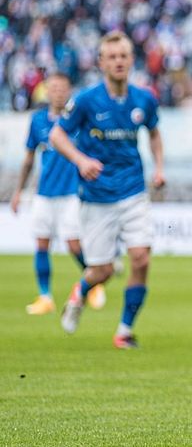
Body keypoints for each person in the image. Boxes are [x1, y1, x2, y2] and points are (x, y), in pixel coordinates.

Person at [49, 30, 165, 350]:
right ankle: (80, 292)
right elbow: (58, 135)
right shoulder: (86, 100)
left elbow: (154, 134)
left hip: (133, 190)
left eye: (124, 56)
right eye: (112, 57)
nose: (118, 61)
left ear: (131, 60)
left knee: (140, 258)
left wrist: (158, 168)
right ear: (101, 62)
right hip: (97, 196)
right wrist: (81, 160)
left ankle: (124, 331)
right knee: (100, 270)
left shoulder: (144, 99)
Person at [12, 73, 106, 315]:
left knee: (73, 243)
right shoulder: (38, 120)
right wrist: (19, 191)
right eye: (53, 88)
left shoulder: (78, 120)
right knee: (41, 243)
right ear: (47, 92)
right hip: (44, 193)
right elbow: (29, 159)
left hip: (72, 192)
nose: (58, 93)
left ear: (69, 91)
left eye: (62, 88)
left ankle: (93, 284)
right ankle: (45, 296)